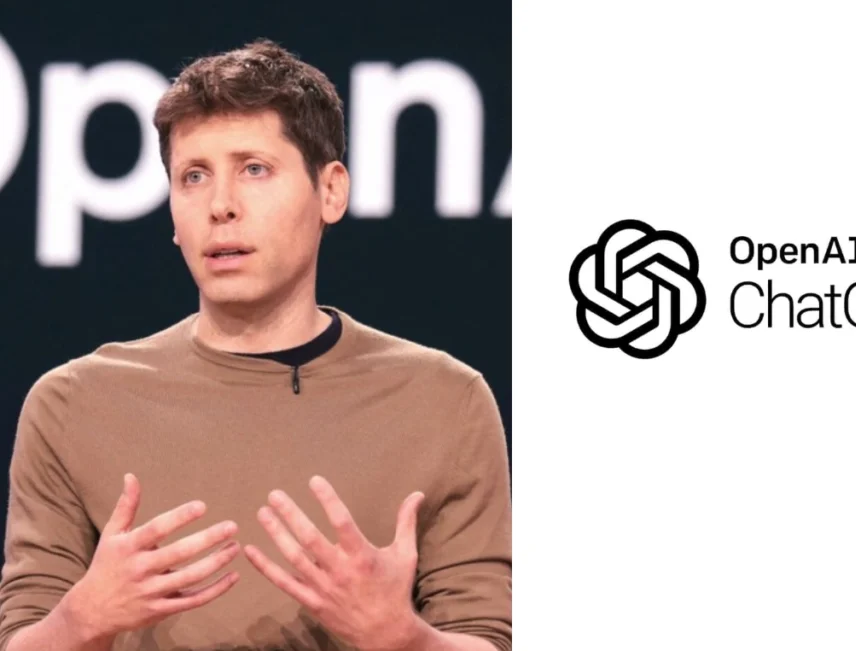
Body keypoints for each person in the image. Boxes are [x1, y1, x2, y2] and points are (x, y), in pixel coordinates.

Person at [0, 39, 511, 651]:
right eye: (194, 177)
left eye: (254, 169)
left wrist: (403, 638)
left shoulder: (445, 401)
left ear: (331, 191)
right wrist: (80, 621)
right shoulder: (72, 404)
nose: (220, 206)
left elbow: (486, 634)